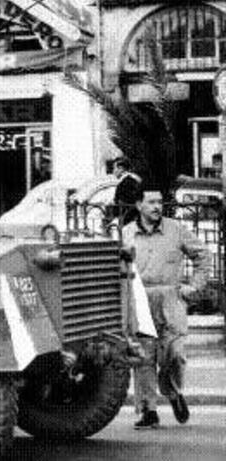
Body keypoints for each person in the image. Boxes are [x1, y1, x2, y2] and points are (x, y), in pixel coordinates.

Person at [121, 185, 210, 430]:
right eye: (151, 202)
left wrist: (193, 287)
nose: (157, 207)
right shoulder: (127, 234)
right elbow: (117, 269)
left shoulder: (176, 230)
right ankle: (148, 411)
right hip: (140, 299)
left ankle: (172, 391)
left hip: (171, 298)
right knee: (144, 358)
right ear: (139, 205)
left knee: (176, 353)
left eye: (159, 202)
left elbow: (203, 255)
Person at [112, 157, 142, 225]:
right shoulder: (135, 180)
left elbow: (124, 204)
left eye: (114, 168)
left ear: (121, 169)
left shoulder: (125, 183)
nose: (113, 172)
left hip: (129, 220)